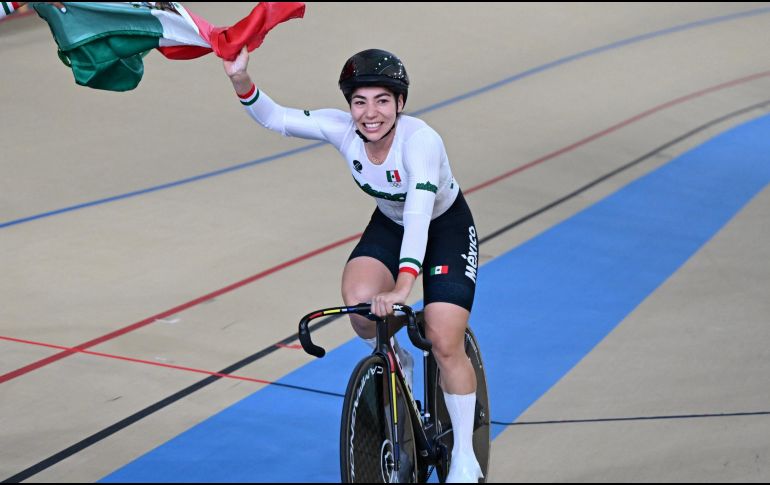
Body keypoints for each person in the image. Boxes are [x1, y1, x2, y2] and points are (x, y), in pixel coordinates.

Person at [224, 46, 483, 482]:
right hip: (390, 221)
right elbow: (277, 118)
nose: (370, 113)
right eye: (360, 101)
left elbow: (419, 219)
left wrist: (403, 289)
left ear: (400, 103)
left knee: (443, 337)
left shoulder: (421, 143)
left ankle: (464, 457)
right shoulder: (341, 128)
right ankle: (397, 357)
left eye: (382, 100)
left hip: (444, 228)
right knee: (362, 309)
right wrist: (239, 79)